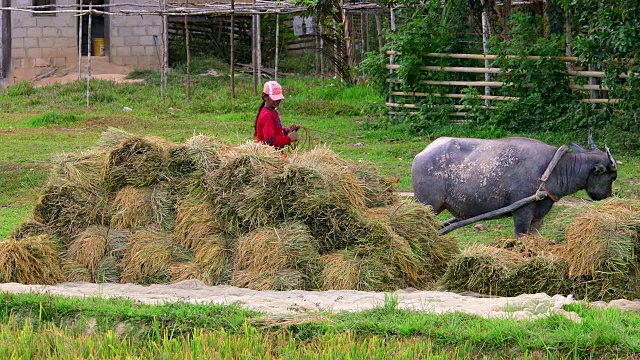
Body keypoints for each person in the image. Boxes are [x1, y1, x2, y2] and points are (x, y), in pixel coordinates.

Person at [254, 81, 299, 150]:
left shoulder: (272, 112)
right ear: (265, 97)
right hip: (267, 154)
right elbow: (270, 141)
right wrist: (289, 138)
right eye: (274, 98)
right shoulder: (267, 115)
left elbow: (274, 133)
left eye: (278, 98)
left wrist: (287, 130)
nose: (277, 101)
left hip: (273, 153)